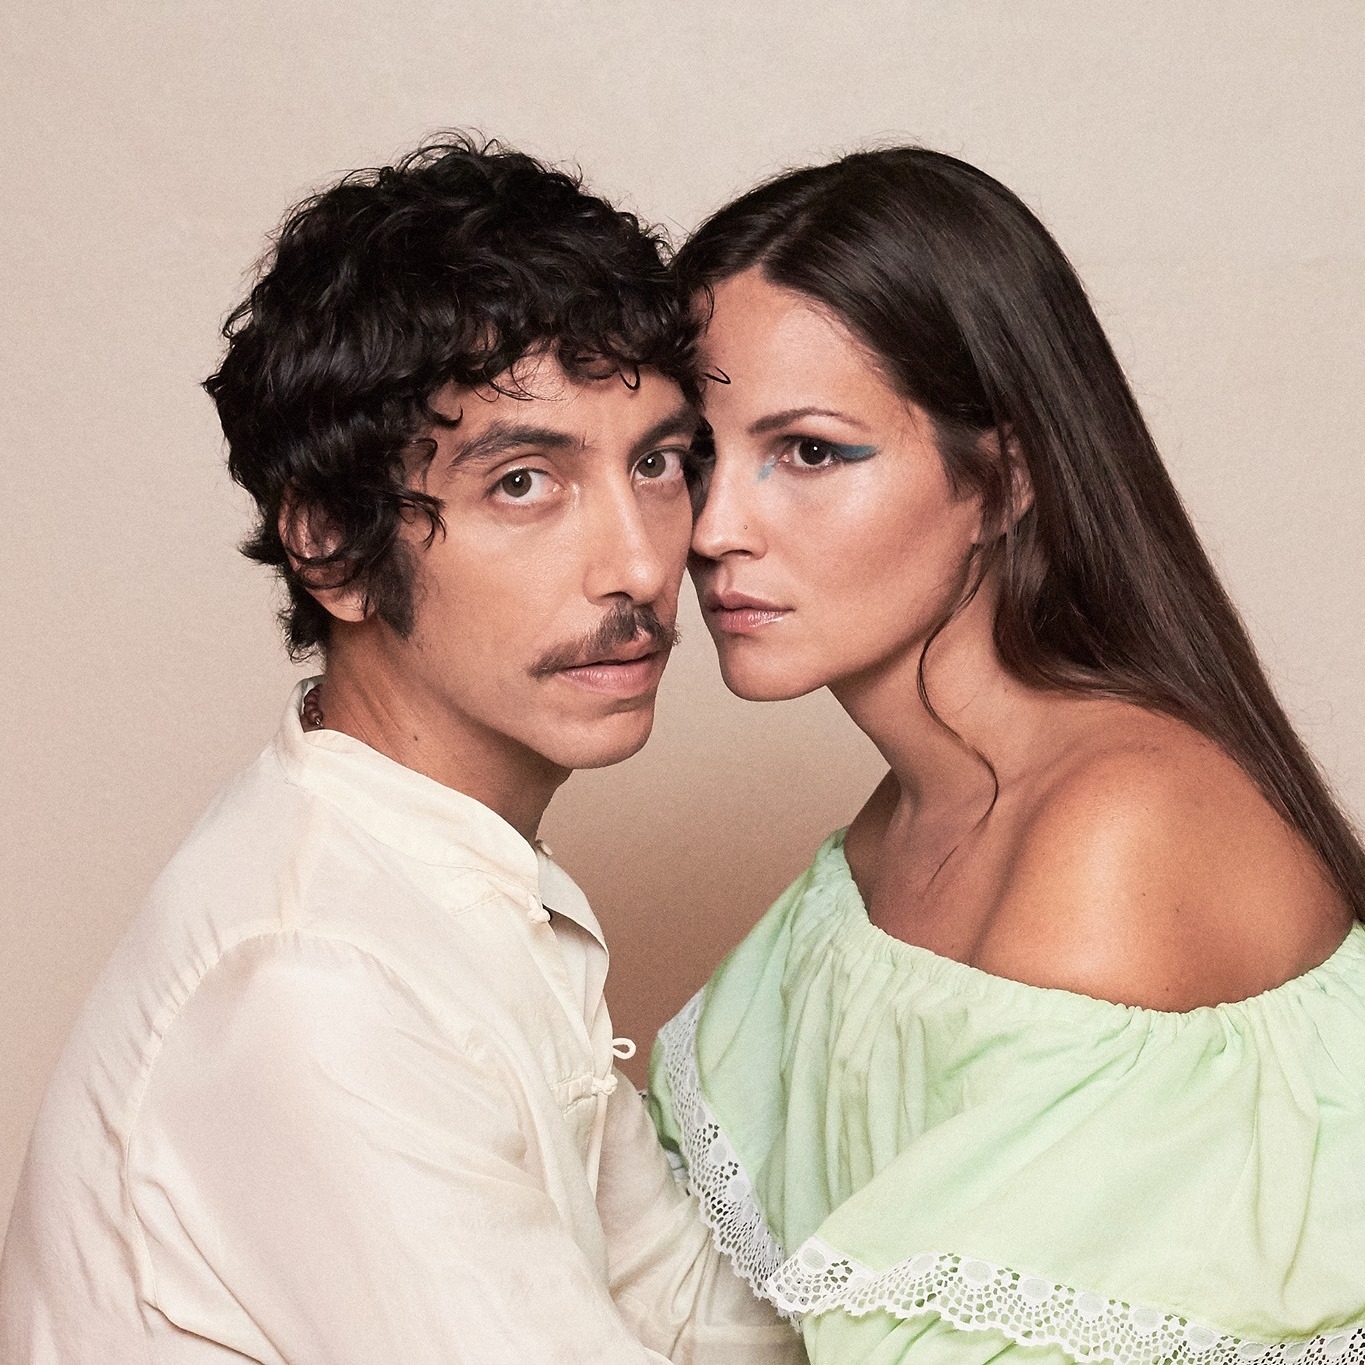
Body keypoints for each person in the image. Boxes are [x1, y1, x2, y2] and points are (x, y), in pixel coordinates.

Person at [0, 137, 800, 1364]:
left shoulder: (449, 879)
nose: (644, 564)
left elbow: (701, 1322)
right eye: (524, 481)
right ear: (332, 548)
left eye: (657, 463)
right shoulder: (319, 982)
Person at [649, 147, 1365, 1362]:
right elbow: (688, 1277)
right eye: (695, 456)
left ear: (1007, 476)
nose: (714, 530)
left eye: (810, 452)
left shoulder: (1117, 834)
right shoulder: (907, 819)